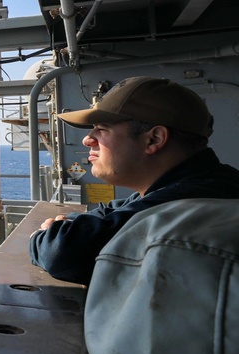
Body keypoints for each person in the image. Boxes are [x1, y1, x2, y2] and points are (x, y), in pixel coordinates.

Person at [28, 75, 239, 284]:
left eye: (102, 128)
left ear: (153, 139)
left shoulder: (190, 202)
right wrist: (68, 224)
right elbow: (110, 212)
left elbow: (62, 254)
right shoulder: (198, 182)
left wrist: (44, 237)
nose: (87, 139)